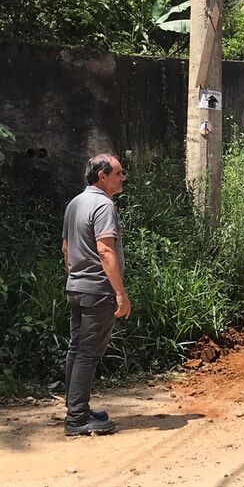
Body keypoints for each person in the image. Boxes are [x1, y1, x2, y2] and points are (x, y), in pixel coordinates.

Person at [61, 153, 132, 436]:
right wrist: (120, 293)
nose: (123, 177)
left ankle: (76, 408)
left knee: (76, 349)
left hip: (76, 287)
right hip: (98, 290)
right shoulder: (104, 205)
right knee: (88, 353)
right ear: (102, 176)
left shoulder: (75, 203)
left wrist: (76, 277)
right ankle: (77, 419)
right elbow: (105, 250)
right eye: (119, 173)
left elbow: (66, 249)